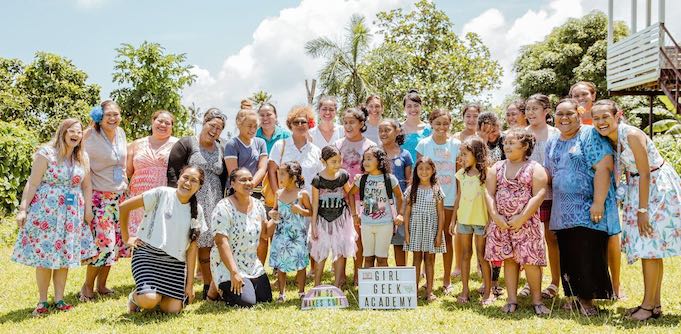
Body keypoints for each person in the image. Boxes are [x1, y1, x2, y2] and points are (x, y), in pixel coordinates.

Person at [592, 99, 681, 321]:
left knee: (649, 247)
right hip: (638, 187)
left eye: (605, 117)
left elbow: (646, 172)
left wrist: (643, 210)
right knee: (649, 248)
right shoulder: (609, 138)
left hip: (654, 189)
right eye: (596, 118)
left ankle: (648, 307)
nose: (601, 122)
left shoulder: (631, 134)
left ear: (617, 115)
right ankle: (653, 303)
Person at [12, 119, 97, 316]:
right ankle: (42, 301)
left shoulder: (82, 157)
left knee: (64, 257)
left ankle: (59, 299)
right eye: (71, 131)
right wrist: (23, 208)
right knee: (44, 256)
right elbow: (32, 184)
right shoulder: (46, 154)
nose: (75, 135)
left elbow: (86, 186)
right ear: (63, 132)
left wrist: (88, 210)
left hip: (72, 213)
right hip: (46, 212)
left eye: (79, 132)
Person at [544, 98, 620, 316]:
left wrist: (598, 202)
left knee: (587, 251)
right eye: (560, 114)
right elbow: (550, 173)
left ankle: (587, 301)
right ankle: (574, 296)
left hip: (588, 206)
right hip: (562, 209)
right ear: (554, 117)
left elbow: (604, 168)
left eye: (569, 113)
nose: (564, 118)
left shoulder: (590, 134)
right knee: (568, 252)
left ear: (579, 114)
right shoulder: (553, 141)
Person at [120, 166, 206, 314]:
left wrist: (189, 285)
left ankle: (158, 295)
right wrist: (126, 237)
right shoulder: (161, 193)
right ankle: (135, 298)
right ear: (179, 178)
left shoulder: (197, 210)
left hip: (174, 264)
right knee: (149, 300)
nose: (188, 183)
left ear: (199, 187)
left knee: (173, 310)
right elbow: (124, 207)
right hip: (148, 256)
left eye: (194, 180)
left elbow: (192, 249)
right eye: (185, 177)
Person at [485, 128, 550, 315]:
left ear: (525, 146)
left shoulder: (535, 168)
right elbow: (489, 193)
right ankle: (511, 299)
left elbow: (539, 194)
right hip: (502, 224)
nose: (507, 146)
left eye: (512, 143)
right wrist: (496, 216)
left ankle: (537, 301)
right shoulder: (496, 168)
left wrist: (522, 217)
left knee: (530, 262)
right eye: (505, 143)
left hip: (526, 224)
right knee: (509, 260)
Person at [167, 108, 227, 300]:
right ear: (204, 122)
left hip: (214, 199)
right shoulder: (186, 143)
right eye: (212, 125)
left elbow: (225, 175)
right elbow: (172, 172)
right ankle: (180, 285)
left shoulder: (222, 147)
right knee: (186, 240)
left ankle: (209, 285)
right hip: (190, 198)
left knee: (208, 244)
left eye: (219, 128)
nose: (215, 130)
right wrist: (176, 198)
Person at [80, 100, 128, 302]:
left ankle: (102, 285)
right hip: (99, 196)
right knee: (103, 244)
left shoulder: (121, 133)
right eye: (108, 114)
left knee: (116, 244)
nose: (113, 118)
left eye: (116, 114)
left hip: (120, 196)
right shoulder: (90, 134)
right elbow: (76, 157)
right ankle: (87, 287)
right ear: (99, 116)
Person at [209, 168, 273, 306]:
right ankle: (215, 289)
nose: (248, 182)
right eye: (243, 180)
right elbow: (221, 242)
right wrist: (234, 273)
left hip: (251, 264)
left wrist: (278, 216)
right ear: (232, 183)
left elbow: (265, 234)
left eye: (250, 179)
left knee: (265, 299)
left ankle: (218, 288)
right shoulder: (223, 207)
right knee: (247, 303)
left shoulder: (258, 205)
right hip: (228, 265)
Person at [416, 108, 461, 295]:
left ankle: (447, 280)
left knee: (447, 239)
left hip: (449, 198)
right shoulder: (423, 144)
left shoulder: (456, 145)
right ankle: (428, 280)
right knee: (429, 241)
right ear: (431, 124)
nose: (442, 127)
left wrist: (459, 197)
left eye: (445, 123)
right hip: (428, 200)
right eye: (438, 123)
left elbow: (459, 174)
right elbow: (419, 173)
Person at [124, 110, 178, 255]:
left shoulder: (178, 144)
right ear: (152, 122)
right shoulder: (136, 144)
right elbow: (127, 171)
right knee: (138, 241)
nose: (163, 125)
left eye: (168, 123)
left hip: (163, 196)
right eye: (160, 121)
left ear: (172, 127)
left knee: (160, 236)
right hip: (138, 196)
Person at [524, 94, 561, 300]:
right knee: (529, 239)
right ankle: (531, 282)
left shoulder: (555, 133)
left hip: (551, 193)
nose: (530, 113)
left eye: (535, 108)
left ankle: (555, 282)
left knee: (551, 238)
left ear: (546, 111)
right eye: (528, 109)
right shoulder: (522, 134)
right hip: (526, 195)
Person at [450, 136, 493, 305]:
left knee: (482, 256)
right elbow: (459, 196)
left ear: (476, 154)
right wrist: (453, 219)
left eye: (465, 154)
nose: (462, 158)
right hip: (464, 220)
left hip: (482, 220)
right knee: (465, 255)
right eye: (461, 154)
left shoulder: (487, 174)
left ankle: (488, 292)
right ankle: (465, 290)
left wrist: (491, 219)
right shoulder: (461, 174)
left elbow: (491, 198)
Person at [336, 107, 376, 283]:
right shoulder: (337, 145)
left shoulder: (371, 146)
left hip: (364, 200)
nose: (348, 126)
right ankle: (340, 275)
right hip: (340, 198)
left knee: (359, 239)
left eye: (352, 122)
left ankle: (359, 276)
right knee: (341, 238)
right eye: (345, 122)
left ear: (361, 124)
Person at [224, 109, 269, 264]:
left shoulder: (260, 142)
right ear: (238, 124)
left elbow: (263, 168)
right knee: (238, 232)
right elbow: (233, 173)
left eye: (255, 126)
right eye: (249, 125)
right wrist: (245, 188)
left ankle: (259, 270)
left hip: (256, 192)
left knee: (261, 233)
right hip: (236, 193)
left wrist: (250, 185)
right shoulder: (232, 144)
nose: (252, 130)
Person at [310, 146, 358, 287]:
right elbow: (315, 204)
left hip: (341, 219)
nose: (337, 165)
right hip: (323, 220)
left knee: (340, 250)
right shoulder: (317, 179)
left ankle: (337, 285)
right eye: (333, 161)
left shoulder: (343, 175)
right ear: (323, 161)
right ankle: (317, 285)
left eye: (339, 161)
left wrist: (356, 183)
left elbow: (349, 194)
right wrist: (313, 225)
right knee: (321, 251)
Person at [351, 147, 404, 268]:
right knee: (368, 258)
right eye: (364, 159)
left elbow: (400, 196)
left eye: (369, 159)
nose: (365, 162)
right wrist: (355, 214)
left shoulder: (390, 179)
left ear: (380, 162)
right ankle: (367, 287)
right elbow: (350, 194)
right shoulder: (362, 179)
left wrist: (400, 214)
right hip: (366, 224)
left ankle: (383, 286)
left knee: (382, 259)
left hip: (385, 224)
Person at [268, 162, 312, 302]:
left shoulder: (302, 194)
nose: (279, 176)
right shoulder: (278, 193)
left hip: (297, 234)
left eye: (282, 173)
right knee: (281, 264)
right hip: (281, 233)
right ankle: (281, 293)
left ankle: (301, 291)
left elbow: (310, 212)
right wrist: (272, 213)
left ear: (293, 176)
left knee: (301, 263)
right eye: (278, 173)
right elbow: (274, 209)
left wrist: (300, 210)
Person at [404, 157, 445, 302]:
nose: (424, 171)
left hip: (431, 228)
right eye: (420, 168)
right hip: (416, 228)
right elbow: (407, 212)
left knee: (430, 259)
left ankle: (429, 292)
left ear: (433, 170)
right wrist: (407, 232)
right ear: (416, 171)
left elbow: (441, 213)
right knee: (416, 259)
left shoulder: (436, 189)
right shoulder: (412, 189)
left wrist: (439, 234)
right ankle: (413, 291)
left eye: (428, 168)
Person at [379, 119, 413, 266]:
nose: (383, 133)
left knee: (400, 240)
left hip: (400, 203)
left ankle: (401, 273)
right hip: (380, 204)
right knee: (381, 243)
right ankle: (383, 276)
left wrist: (404, 208)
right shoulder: (376, 154)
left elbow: (409, 183)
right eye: (380, 130)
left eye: (387, 130)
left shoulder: (405, 155)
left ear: (397, 131)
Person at [268, 105, 323, 194]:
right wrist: (278, 197)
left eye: (303, 122)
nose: (300, 125)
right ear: (290, 125)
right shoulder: (280, 145)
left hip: (310, 203)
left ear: (309, 124)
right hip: (285, 203)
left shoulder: (316, 151)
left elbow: (320, 178)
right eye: (296, 122)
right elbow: (271, 171)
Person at [401, 90, 432, 162]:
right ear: (404, 108)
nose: (413, 109)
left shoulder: (430, 129)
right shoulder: (398, 129)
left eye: (416, 105)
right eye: (409, 106)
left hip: (423, 172)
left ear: (421, 107)